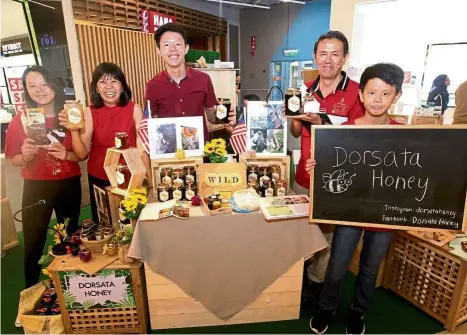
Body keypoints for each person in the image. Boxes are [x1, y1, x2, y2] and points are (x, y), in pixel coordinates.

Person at [308, 63, 405, 335]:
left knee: (370, 270)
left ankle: (357, 312)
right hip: (348, 211)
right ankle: (326, 307)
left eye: (386, 94)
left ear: (396, 96)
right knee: (338, 265)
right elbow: (329, 171)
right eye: (372, 93)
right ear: (361, 95)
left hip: (384, 214)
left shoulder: (404, 135)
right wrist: (317, 166)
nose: (378, 100)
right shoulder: (343, 132)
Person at [290, 31, 364, 298]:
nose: (328, 60)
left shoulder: (357, 93)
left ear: (345, 57)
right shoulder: (305, 90)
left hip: (337, 180)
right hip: (304, 176)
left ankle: (316, 281)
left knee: (329, 236)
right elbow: (296, 133)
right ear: (314, 57)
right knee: (299, 229)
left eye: (335, 54)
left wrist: (320, 122)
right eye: (323, 54)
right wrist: (295, 120)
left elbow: (358, 139)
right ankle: (297, 275)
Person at [5, 65, 82, 288]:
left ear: (54, 86)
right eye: (32, 86)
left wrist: (66, 154)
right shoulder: (21, 120)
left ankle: (72, 287)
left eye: (44, 84)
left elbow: (81, 155)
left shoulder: (70, 117)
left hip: (68, 183)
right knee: (33, 240)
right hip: (35, 186)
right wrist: (25, 156)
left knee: (70, 236)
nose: (39, 90)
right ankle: (31, 290)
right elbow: (12, 158)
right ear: (26, 91)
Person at [59, 62, 143, 224]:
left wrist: (144, 175)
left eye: (114, 81)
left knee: (132, 221)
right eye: (103, 82)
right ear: (96, 88)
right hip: (100, 176)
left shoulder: (134, 109)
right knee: (105, 221)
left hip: (131, 176)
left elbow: (141, 147)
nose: (109, 87)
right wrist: (74, 129)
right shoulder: (89, 112)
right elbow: (82, 153)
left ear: (122, 86)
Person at [144, 23, 236, 144]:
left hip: (200, 149)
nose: (173, 49)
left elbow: (211, 117)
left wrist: (225, 117)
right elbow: (152, 122)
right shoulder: (153, 86)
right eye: (166, 45)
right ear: (158, 51)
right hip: (169, 151)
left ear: (186, 48)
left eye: (177, 44)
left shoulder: (203, 79)